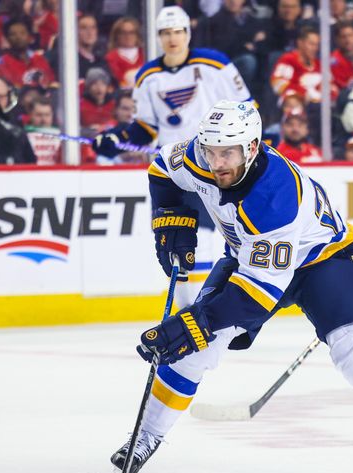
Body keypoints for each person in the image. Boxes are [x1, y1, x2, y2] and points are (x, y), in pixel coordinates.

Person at [108, 100, 353, 473]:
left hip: (320, 263)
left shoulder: (276, 197)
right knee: (195, 351)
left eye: (227, 153)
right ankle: (144, 438)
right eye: (212, 151)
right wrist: (173, 220)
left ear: (251, 147)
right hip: (250, 259)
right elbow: (161, 171)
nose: (217, 163)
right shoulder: (198, 155)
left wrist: (190, 325)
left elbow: (255, 297)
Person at [92, 5, 254, 308]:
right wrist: (115, 139)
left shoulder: (215, 65)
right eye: (166, 33)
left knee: (207, 239)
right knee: (174, 242)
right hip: (174, 170)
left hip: (213, 166)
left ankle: (206, 310)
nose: (172, 38)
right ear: (158, 37)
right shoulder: (148, 77)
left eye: (178, 31)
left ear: (187, 33)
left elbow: (247, 108)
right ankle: (185, 314)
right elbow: (142, 129)